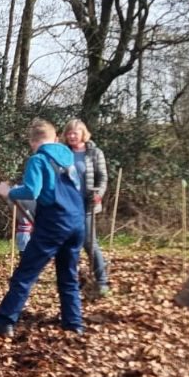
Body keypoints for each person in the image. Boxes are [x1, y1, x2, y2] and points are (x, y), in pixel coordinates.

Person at [0, 119, 85, 338]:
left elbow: (31, 191)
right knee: (68, 275)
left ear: (32, 142)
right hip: (77, 221)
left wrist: (9, 192)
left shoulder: (38, 160)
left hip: (54, 223)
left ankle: (4, 322)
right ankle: (74, 324)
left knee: (25, 273)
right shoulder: (70, 159)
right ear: (55, 138)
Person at [62, 118, 110, 295]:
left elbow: (103, 177)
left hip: (88, 204)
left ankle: (102, 280)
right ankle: (72, 279)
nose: (71, 136)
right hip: (68, 205)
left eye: (75, 132)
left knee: (90, 243)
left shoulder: (94, 152)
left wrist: (98, 194)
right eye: (68, 133)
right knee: (69, 242)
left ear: (83, 133)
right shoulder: (63, 153)